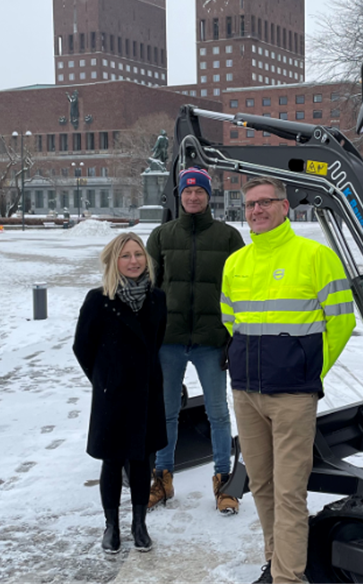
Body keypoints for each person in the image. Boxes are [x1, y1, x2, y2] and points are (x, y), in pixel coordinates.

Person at [220, 178, 356, 584]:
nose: (256, 211)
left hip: (293, 396)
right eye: (249, 206)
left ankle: (288, 578)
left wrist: (308, 371)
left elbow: (342, 321)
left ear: (284, 206)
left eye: (264, 203)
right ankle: (274, 561)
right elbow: (231, 322)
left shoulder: (315, 256)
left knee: (289, 491)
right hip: (247, 393)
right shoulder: (236, 263)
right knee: (261, 484)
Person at [145, 166, 245, 514]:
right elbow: (150, 287)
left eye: (199, 191)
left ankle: (224, 482)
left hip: (211, 340)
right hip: (169, 340)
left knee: (218, 414)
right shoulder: (161, 236)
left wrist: (233, 337)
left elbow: (241, 291)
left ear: (207, 195)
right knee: (166, 413)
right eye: (187, 191)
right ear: (179, 195)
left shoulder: (228, 237)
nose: (192, 196)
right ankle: (162, 477)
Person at [72, 232, 168, 554]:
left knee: (141, 462)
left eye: (138, 254)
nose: (133, 261)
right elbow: (82, 347)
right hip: (112, 394)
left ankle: (139, 525)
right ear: (114, 261)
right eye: (125, 256)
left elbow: (156, 341)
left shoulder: (157, 299)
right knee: (112, 462)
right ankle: (111, 526)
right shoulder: (98, 300)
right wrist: (104, 379)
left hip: (146, 392)